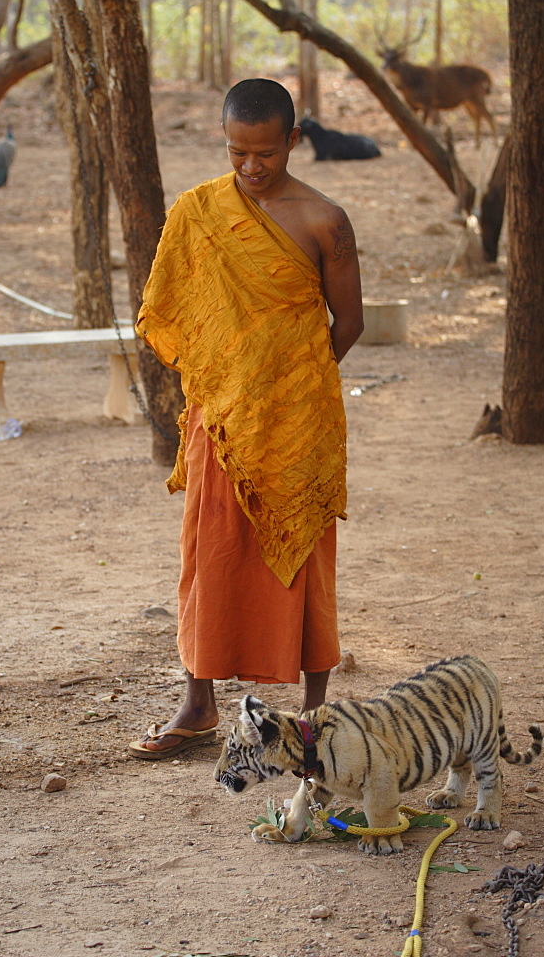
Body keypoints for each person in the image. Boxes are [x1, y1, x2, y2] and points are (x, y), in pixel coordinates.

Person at [128, 78, 364, 760]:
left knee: (306, 562)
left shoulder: (326, 221)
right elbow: (171, 308)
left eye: (264, 153)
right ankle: (197, 705)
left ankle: (318, 719)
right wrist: (236, 381)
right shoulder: (199, 212)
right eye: (237, 154)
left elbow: (346, 323)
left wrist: (292, 384)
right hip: (220, 421)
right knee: (210, 554)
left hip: (300, 422)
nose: (250, 168)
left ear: (292, 141)